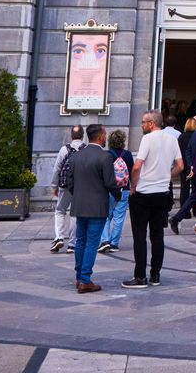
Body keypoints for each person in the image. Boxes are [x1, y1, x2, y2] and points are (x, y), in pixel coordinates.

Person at [123, 109, 184, 289]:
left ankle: (140, 276)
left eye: (143, 122)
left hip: (143, 193)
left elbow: (137, 166)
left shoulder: (147, 139)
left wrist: (133, 185)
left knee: (140, 236)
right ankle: (155, 274)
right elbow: (180, 165)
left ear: (151, 123)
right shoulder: (172, 139)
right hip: (162, 192)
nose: (142, 125)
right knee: (157, 236)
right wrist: (166, 175)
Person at [68, 124, 118, 294]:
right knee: (91, 242)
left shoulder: (76, 156)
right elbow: (110, 183)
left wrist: (78, 196)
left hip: (79, 205)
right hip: (97, 206)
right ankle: (85, 279)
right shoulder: (105, 157)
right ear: (101, 136)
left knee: (80, 241)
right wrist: (119, 196)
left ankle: (79, 276)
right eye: (105, 134)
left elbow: (69, 183)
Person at [50, 123, 85, 254]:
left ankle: (59, 237)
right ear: (82, 135)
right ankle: (72, 244)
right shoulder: (85, 149)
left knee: (60, 211)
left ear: (71, 135)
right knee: (74, 214)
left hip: (64, 186)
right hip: (80, 187)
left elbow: (57, 169)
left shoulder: (64, 149)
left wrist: (54, 185)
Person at [97, 129, 134, 254]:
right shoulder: (128, 155)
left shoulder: (107, 154)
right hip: (124, 189)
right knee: (119, 217)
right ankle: (114, 244)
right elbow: (132, 172)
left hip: (109, 190)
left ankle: (105, 240)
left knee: (105, 216)